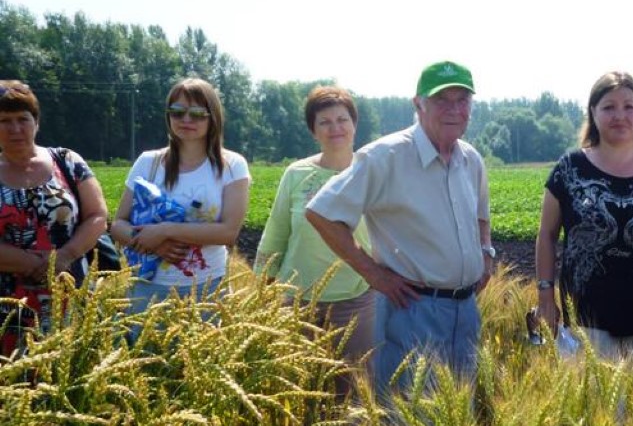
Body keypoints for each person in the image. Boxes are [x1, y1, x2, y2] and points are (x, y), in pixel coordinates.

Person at [305, 61, 492, 398]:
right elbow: (322, 213)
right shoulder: (385, 156)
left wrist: (486, 252)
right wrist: (374, 274)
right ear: (418, 104)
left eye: (462, 100)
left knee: (460, 415)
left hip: (466, 312)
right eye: (442, 101)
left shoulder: (470, 159)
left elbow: (480, 213)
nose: (454, 109)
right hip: (413, 309)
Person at [535, 71, 633, 366]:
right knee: (588, 409)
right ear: (592, 113)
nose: (620, 115)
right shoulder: (569, 169)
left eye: (629, 106)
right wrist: (545, 297)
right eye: (608, 107)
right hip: (582, 317)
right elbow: (546, 235)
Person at [254, 86, 376, 370]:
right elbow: (277, 232)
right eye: (325, 122)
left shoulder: (373, 172)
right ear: (313, 131)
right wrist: (263, 290)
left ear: (354, 125)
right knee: (298, 386)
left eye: (342, 120)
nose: (335, 128)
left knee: (354, 390)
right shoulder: (296, 174)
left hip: (358, 300)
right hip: (297, 301)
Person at [110, 78, 250, 315]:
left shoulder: (232, 166)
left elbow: (228, 232)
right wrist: (155, 246)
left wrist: (164, 231)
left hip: (207, 290)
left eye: (197, 113)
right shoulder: (148, 163)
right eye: (177, 112)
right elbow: (117, 225)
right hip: (148, 287)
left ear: (212, 117)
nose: (186, 120)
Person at [0, 80, 108, 354]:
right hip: (8, 308)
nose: (15, 129)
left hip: (70, 292)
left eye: (22, 119)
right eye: (4, 121)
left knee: (74, 377)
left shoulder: (68, 161)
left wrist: (65, 256)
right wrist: (30, 263)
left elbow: (97, 216)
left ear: (36, 122)